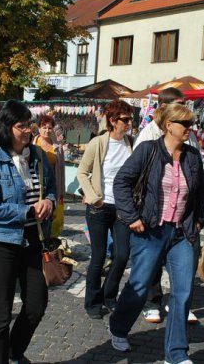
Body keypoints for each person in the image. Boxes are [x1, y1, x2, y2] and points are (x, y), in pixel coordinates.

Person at [108, 103, 204, 363]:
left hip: (182, 234)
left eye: (191, 123)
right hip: (150, 231)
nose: (190, 128)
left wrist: (198, 219)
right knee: (140, 286)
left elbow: (200, 193)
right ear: (168, 126)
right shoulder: (148, 150)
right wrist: (131, 218)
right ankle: (118, 326)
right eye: (184, 124)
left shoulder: (192, 156)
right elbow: (122, 181)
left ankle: (175, 354)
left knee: (183, 292)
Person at [0, 100, 56, 364]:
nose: (28, 130)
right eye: (21, 125)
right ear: (6, 128)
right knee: (0, 315)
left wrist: (50, 202)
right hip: (2, 243)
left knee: (36, 305)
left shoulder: (39, 156)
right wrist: (27, 211)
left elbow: (52, 189)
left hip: (35, 240)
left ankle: (14, 350)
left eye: (28, 124)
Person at [134, 87, 199, 324]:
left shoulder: (188, 135)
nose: (186, 109)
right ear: (166, 111)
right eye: (181, 104)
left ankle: (178, 304)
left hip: (182, 217)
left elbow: (197, 170)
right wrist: (134, 215)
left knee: (183, 264)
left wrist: (198, 214)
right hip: (154, 214)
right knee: (149, 267)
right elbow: (132, 177)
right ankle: (150, 303)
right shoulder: (148, 135)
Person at [77, 99, 135, 318]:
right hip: (99, 208)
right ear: (113, 121)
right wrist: (92, 197)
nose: (129, 123)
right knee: (98, 257)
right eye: (125, 119)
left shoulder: (131, 143)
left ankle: (109, 295)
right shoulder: (99, 143)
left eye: (130, 119)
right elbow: (82, 172)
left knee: (122, 255)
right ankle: (92, 302)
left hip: (122, 208)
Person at [33, 114, 66, 238]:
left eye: (49, 128)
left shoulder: (57, 147)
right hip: (36, 185)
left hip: (52, 186)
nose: (47, 130)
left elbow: (61, 171)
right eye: (44, 127)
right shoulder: (33, 144)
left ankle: (48, 249)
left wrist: (61, 192)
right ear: (39, 128)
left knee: (50, 220)